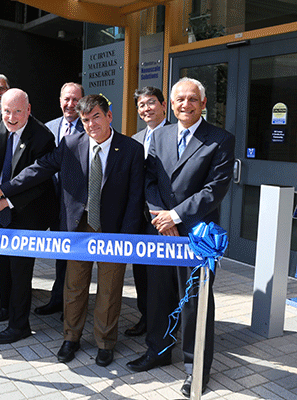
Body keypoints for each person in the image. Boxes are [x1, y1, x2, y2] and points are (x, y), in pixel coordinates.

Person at [0, 94, 145, 366]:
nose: (92, 124)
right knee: (74, 286)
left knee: (109, 289)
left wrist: (126, 235)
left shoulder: (130, 148)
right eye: (85, 120)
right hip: (77, 228)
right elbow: (39, 169)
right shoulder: (71, 144)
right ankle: (71, 338)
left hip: (113, 230)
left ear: (109, 116)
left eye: (97, 116)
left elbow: (135, 196)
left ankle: (105, 343)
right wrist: (3, 190)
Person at [126, 78, 235, 397]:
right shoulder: (159, 136)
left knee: (194, 303)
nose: (184, 104)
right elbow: (148, 181)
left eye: (191, 99)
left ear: (203, 103)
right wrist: (161, 216)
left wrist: (175, 217)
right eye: (179, 100)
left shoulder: (220, 139)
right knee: (158, 296)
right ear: (170, 105)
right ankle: (157, 352)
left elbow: (214, 189)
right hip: (161, 233)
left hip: (196, 237)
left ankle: (195, 368)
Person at [0, 88, 56, 344]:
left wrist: (4, 198)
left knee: (20, 270)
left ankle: (19, 325)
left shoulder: (42, 137)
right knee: (1, 264)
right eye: (6, 111)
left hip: (27, 210)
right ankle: (7, 309)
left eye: (17, 111)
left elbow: (37, 180)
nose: (11, 117)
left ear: (28, 110)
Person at [35, 82, 86, 317]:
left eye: (76, 100)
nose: (70, 104)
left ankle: (71, 305)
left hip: (76, 205)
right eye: (66, 99)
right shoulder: (48, 128)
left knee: (74, 259)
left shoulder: (90, 128)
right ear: (59, 100)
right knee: (59, 255)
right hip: (50, 204)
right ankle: (57, 298)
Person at [126, 86, 169, 337]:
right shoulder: (135, 140)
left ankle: (165, 322)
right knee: (141, 272)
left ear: (164, 105)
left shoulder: (176, 135)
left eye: (151, 103)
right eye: (141, 105)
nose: (146, 109)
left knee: (163, 276)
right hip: (139, 218)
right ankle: (146, 317)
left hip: (165, 217)